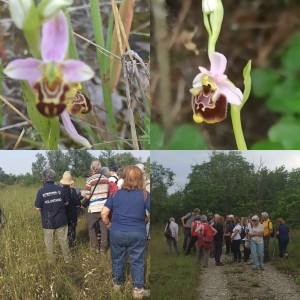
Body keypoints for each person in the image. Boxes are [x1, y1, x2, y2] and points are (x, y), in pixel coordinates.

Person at [101, 165, 150, 299]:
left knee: (117, 259)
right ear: (140, 179)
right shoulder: (145, 194)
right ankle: (138, 291)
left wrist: (109, 225)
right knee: (138, 261)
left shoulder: (115, 194)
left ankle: (117, 286)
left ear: (124, 178)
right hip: (137, 232)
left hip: (117, 232)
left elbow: (104, 213)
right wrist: (146, 219)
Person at [34, 169, 71, 264]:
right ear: (54, 178)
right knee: (64, 241)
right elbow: (66, 202)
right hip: (61, 220)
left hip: (47, 222)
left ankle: (52, 262)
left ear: (44, 178)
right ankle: (68, 260)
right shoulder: (60, 189)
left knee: (49, 243)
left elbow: (37, 208)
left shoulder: (41, 191)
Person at [84, 161, 117, 253]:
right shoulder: (106, 179)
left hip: (93, 208)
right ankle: (103, 248)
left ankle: (95, 248)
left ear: (92, 169)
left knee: (91, 227)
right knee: (104, 228)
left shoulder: (90, 180)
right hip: (103, 207)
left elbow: (87, 196)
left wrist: (81, 193)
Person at [60, 171, 81, 248]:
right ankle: (72, 245)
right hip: (72, 215)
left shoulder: (60, 191)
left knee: (64, 232)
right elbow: (77, 204)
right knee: (72, 230)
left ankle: (66, 246)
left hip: (64, 215)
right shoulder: (73, 191)